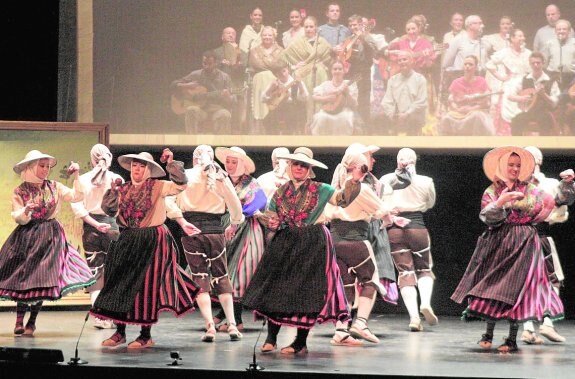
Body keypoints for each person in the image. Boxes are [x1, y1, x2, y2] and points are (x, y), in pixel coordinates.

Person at [451, 146, 564, 353]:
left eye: (518, 166)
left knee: (517, 289)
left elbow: (540, 207)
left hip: (524, 241)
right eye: (511, 165)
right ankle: (488, 333)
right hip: (498, 240)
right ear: (502, 166)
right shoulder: (492, 190)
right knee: (492, 286)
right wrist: (501, 203)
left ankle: (512, 338)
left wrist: (521, 204)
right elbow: (486, 215)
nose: (514, 169)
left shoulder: (530, 189)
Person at [242, 147, 351, 355]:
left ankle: (300, 341)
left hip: (313, 240)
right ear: (290, 167)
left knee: (308, 290)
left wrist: (353, 181)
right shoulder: (281, 191)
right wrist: (270, 221)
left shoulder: (322, 189)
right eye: (296, 164)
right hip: (287, 238)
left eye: (303, 165)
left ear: (309, 169)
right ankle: (271, 337)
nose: (299, 168)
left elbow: (343, 200)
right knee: (277, 286)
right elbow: (272, 215)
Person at [91, 149, 200, 349]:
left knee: (146, 287)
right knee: (119, 283)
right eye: (134, 166)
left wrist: (171, 164)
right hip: (127, 238)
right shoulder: (122, 188)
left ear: (149, 169)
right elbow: (109, 210)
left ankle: (145, 334)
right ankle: (120, 331)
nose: (137, 170)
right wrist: (112, 194)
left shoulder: (159, 186)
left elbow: (181, 185)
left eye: (141, 166)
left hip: (152, 239)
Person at [0, 150, 94, 336]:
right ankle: (19, 320)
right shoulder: (20, 190)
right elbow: (18, 217)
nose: (45, 170)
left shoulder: (55, 186)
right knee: (23, 277)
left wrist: (76, 175)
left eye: (47, 166)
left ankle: (32, 322)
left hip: (50, 236)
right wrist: (26, 210)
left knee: (43, 278)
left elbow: (76, 196)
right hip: (26, 236)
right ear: (31, 167)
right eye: (41, 166)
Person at [165, 145, 245, 342]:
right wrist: (234, 222)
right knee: (222, 275)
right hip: (215, 232)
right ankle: (232, 325)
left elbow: (168, 200)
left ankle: (210, 326)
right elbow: (234, 203)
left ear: (194, 159)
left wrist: (181, 220)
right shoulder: (220, 176)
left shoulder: (185, 176)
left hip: (191, 230)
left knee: (200, 278)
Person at [520, 146, 574, 344]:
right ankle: (537, 326)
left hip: (539, 234)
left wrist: (568, 185)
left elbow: (562, 203)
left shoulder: (549, 183)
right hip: (522, 235)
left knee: (550, 279)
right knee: (532, 282)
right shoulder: (515, 184)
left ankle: (541, 325)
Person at [380, 148, 437, 332]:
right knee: (424, 269)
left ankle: (414, 317)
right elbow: (430, 204)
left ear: (398, 161)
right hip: (417, 227)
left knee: (405, 273)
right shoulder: (426, 181)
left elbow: (378, 203)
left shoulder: (385, 180)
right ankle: (426, 303)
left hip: (394, 230)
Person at [212, 146, 267, 333]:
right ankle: (227, 315)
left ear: (242, 164)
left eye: (234, 162)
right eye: (227, 161)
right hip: (223, 227)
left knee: (238, 274)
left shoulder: (251, 184)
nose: (229, 165)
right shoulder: (221, 181)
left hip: (245, 230)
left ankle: (236, 320)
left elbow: (258, 202)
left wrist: (236, 219)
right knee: (224, 273)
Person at [70, 144, 124, 329]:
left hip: (91, 228)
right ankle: (113, 314)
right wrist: (108, 222)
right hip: (112, 227)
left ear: (92, 159)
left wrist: (95, 224)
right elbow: (122, 208)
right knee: (113, 271)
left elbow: (78, 207)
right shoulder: (117, 179)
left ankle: (100, 315)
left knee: (95, 271)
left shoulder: (83, 180)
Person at [281, 16, 333, 124]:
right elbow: (285, 55)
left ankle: (320, 120)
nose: (308, 29)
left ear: (316, 28)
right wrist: (295, 65)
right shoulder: (298, 42)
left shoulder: (322, 42)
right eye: (306, 27)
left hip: (320, 74)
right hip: (304, 74)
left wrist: (323, 64)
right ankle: (307, 123)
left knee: (320, 73)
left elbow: (330, 58)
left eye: (311, 26)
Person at [170, 51, 235, 134]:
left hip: (217, 109)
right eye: (204, 63)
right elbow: (173, 85)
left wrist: (227, 97)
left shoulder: (225, 77)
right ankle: (191, 142)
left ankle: (221, 144)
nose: (206, 66)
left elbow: (232, 101)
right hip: (201, 110)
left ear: (216, 63)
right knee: (191, 109)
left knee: (225, 114)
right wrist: (187, 86)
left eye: (209, 63)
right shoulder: (196, 74)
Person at [485, 28, 532, 135]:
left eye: (523, 36)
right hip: (509, 86)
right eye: (519, 36)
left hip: (524, 86)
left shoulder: (528, 53)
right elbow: (489, 64)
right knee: (507, 111)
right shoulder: (505, 52)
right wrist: (501, 77)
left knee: (523, 112)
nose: (522, 38)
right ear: (512, 38)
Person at [438, 55, 495, 136]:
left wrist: (471, 109)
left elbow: (486, 102)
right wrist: (457, 109)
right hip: (459, 112)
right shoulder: (456, 82)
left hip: (476, 112)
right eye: (465, 64)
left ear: (475, 67)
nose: (467, 66)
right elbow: (451, 101)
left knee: (477, 117)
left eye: (470, 64)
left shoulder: (482, 81)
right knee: (446, 118)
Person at [507, 52, 560, 136]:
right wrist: (521, 98)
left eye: (538, 63)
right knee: (516, 121)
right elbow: (510, 95)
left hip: (544, 112)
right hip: (528, 111)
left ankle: (544, 147)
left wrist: (544, 95)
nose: (535, 65)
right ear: (530, 64)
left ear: (543, 63)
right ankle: (518, 147)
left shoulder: (550, 81)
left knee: (545, 121)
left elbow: (555, 103)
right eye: (533, 63)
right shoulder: (524, 79)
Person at [339, 15, 378, 129]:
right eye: (350, 25)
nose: (352, 27)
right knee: (351, 99)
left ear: (361, 25)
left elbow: (373, 53)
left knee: (363, 100)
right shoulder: (349, 39)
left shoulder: (368, 37)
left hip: (364, 71)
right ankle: (352, 127)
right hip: (351, 72)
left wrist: (363, 40)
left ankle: (365, 127)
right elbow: (345, 56)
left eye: (355, 25)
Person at [248, 25, 285, 134]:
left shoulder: (281, 50)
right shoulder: (254, 50)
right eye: (264, 35)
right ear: (261, 36)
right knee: (266, 74)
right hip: (259, 80)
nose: (267, 37)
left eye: (269, 35)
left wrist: (267, 63)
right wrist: (272, 64)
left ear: (274, 36)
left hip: (277, 80)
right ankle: (260, 125)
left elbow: (281, 64)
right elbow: (256, 64)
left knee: (269, 74)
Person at [381, 51, 428, 136]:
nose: (402, 62)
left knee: (414, 122)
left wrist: (407, 114)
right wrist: (391, 114)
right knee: (379, 119)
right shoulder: (393, 80)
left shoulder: (420, 79)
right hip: (396, 116)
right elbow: (386, 101)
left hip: (413, 115)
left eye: (404, 59)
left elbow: (422, 102)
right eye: (399, 60)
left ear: (412, 61)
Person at [309, 60, 358, 135]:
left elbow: (354, 104)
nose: (337, 71)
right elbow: (313, 97)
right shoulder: (326, 84)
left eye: (340, 69)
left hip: (344, 111)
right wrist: (326, 98)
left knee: (345, 118)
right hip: (327, 111)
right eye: (335, 69)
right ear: (331, 71)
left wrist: (347, 93)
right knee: (320, 117)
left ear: (343, 71)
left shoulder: (349, 84)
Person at [261, 62, 309, 134]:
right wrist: (270, 88)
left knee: (291, 121)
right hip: (278, 109)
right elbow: (262, 99)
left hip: (293, 108)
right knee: (267, 120)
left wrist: (300, 86)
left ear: (288, 70)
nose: (283, 74)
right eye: (279, 73)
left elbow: (305, 98)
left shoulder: (296, 82)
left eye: (284, 71)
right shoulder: (275, 83)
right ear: (276, 74)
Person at [542, 19, 575, 92]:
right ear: (555, 31)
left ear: (569, 31)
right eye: (559, 29)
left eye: (564, 29)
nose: (561, 31)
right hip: (553, 77)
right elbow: (544, 62)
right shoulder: (549, 44)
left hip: (571, 78)